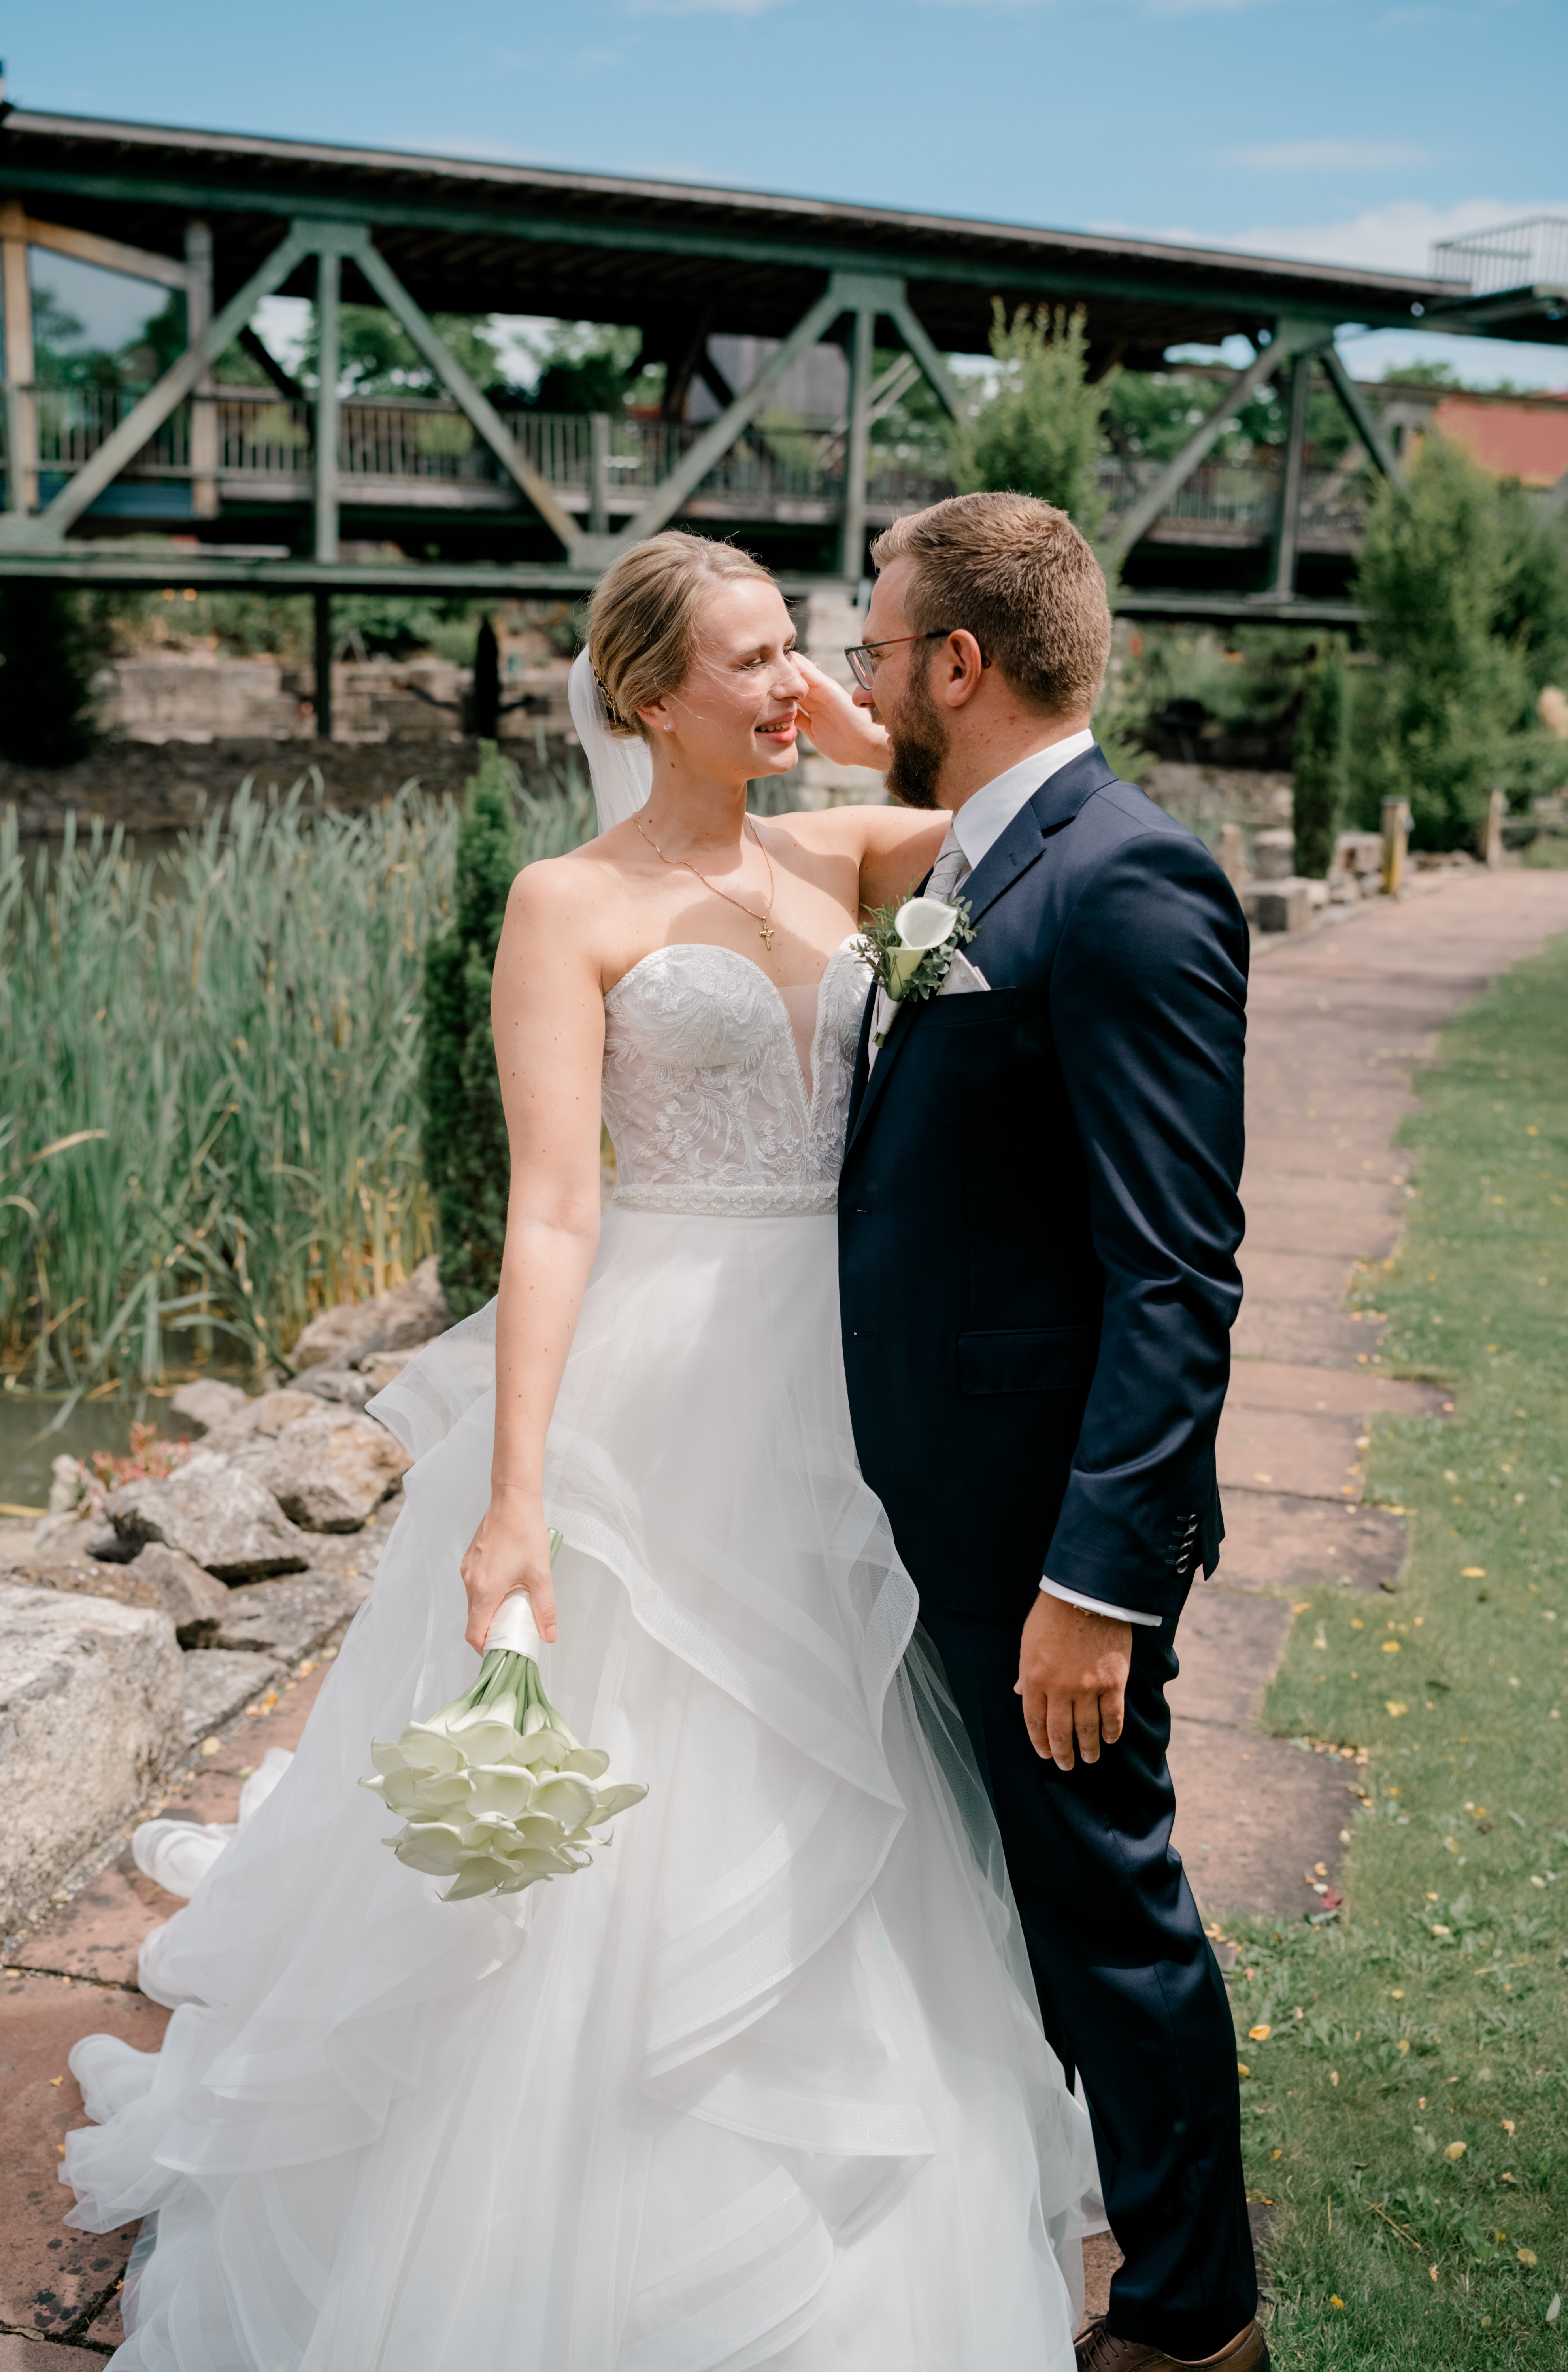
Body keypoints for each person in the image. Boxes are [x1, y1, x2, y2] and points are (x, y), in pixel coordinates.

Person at [62, 531, 1100, 2371]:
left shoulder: (855, 852)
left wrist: (858, 730)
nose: (792, 681)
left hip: (845, 1384)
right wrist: (515, 1500)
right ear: (642, 697)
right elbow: (552, 1216)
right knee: (637, 1776)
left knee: (838, 1751)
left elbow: (1019, 813)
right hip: (661, 1383)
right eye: (751, 660)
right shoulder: (566, 904)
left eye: (802, 645)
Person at [798, 492, 1259, 2372]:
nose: (859, 673)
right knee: (1023, 1903)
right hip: (928, 1507)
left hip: (1032, 1535)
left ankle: (1191, 2321)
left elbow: (1177, 1276)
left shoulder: (1125, 879)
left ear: (960, 667)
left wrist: (1100, 1582)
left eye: (879, 647)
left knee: (1106, 1910)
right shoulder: (992, 854)